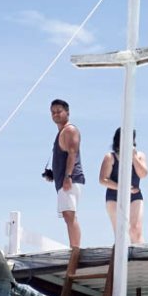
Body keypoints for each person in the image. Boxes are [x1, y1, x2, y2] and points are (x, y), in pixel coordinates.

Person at [44, 98, 84, 250]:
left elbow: (72, 153)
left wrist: (67, 176)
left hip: (70, 179)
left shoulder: (69, 130)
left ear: (67, 112)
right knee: (68, 215)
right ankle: (74, 247)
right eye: (53, 112)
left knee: (69, 214)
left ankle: (75, 249)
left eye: (59, 111)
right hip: (63, 179)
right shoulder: (61, 132)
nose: (55, 115)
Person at [99, 127, 148, 244]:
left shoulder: (140, 155)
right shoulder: (110, 157)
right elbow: (103, 179)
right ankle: (121, 259)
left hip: (135, 195)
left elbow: (143, 174)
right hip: (114, 196)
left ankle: (140, 258)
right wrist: (122, 188)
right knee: (121, 231)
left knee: (135, 229)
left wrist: (133, 157)